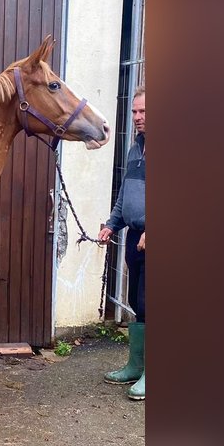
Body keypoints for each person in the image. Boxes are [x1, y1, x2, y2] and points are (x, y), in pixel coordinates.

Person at [98, 85, 146, 400]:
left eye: (144, 112)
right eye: (135, 112)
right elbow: (125, 194)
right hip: (134, 238)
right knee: (137, 304)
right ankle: (135, 366)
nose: (138, 117)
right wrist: (112, 225)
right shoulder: (134, 149)